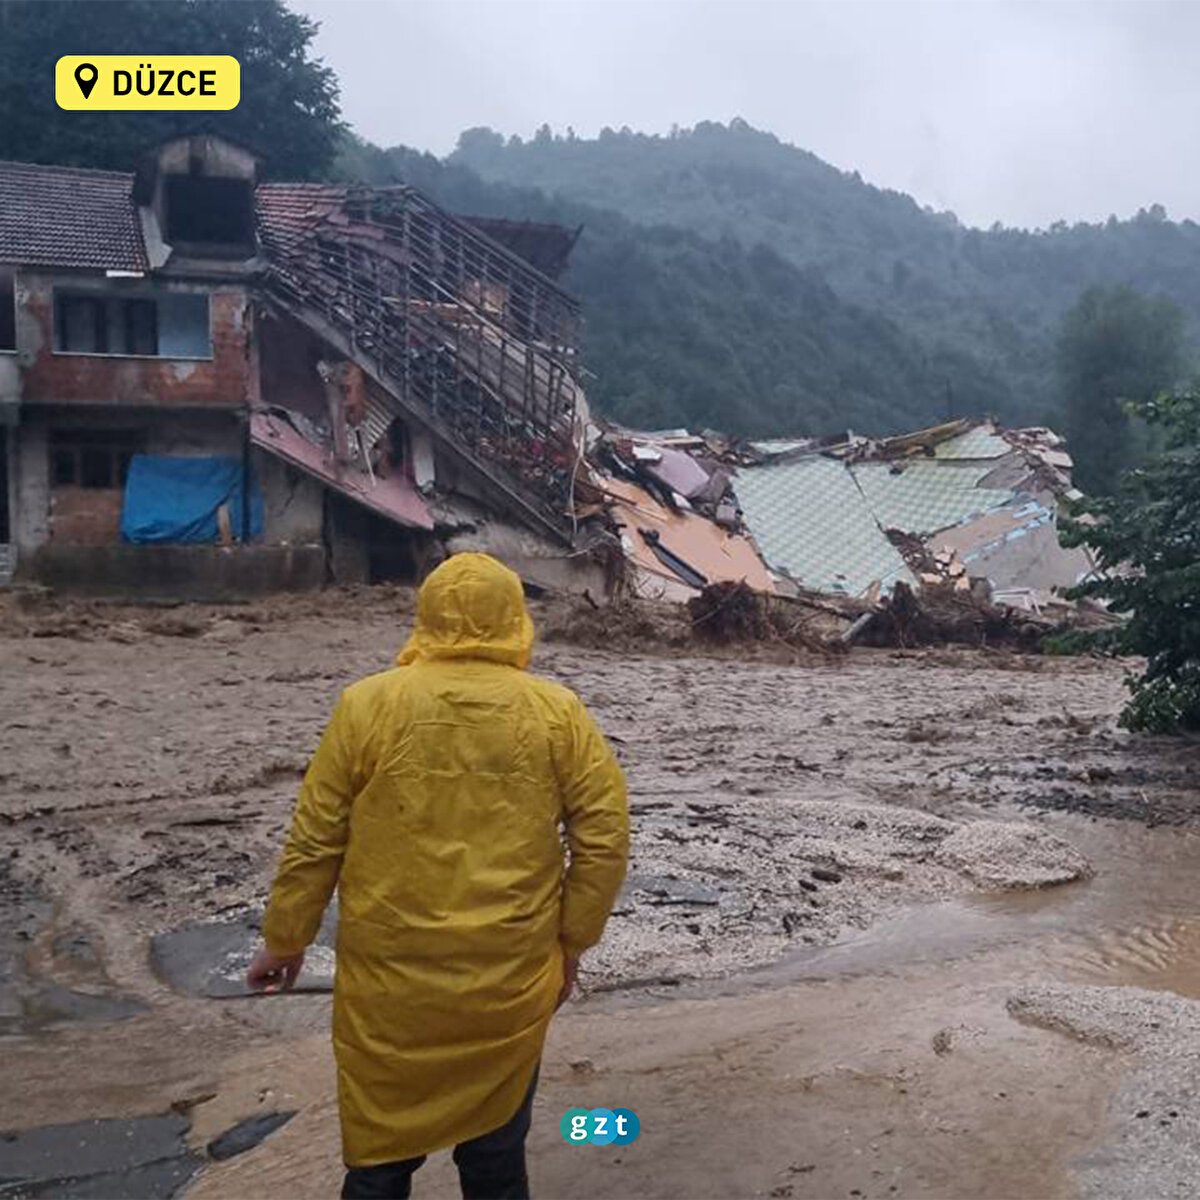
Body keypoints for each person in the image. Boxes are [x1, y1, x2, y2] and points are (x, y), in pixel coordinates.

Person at [246, 552, 630, 1200]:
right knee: (496, 1158)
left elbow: (316, 838)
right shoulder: (556, 712)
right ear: (515, 618)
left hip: (389, 981)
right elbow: (605, 836)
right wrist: (571, 943)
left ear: (425, 617)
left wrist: (286, 940)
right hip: (508, 974)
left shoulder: (365, 706)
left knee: (379, 1161)